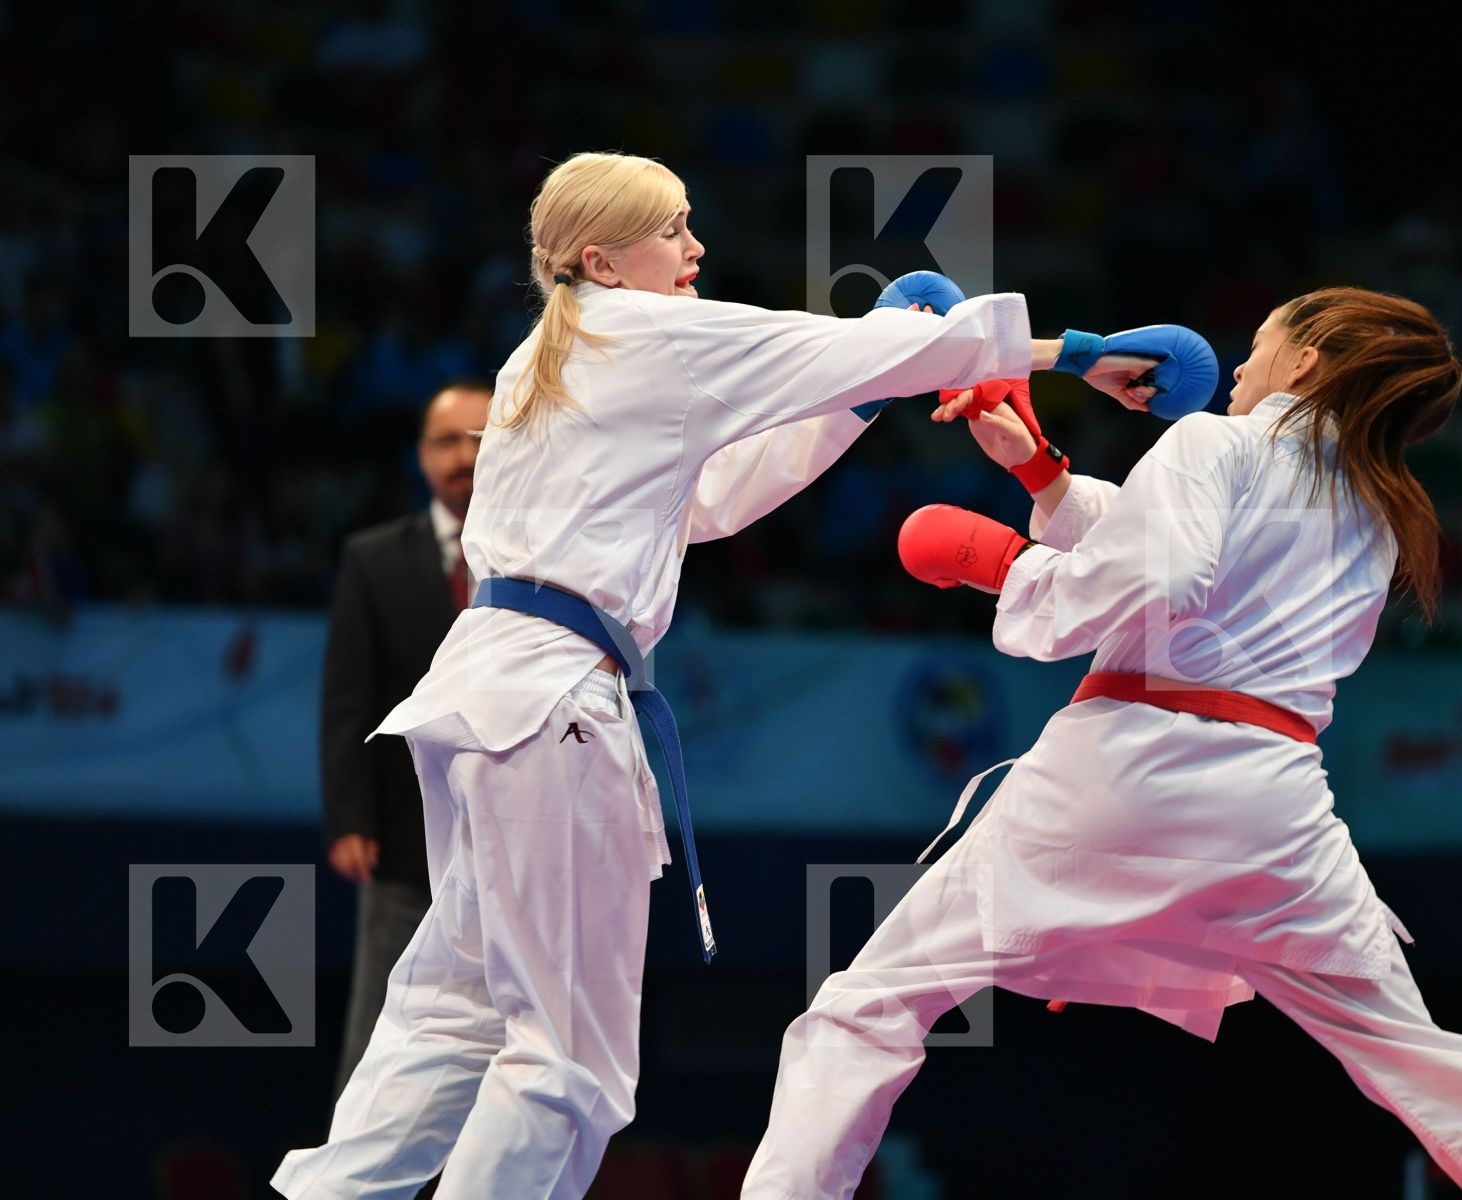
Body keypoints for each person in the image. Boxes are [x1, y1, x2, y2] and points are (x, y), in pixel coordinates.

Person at [271, 150, 1174, 1200]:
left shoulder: (544, 362)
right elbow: (819, 348)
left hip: (482, 702)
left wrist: (864, 395)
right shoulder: (648, 332)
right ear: (604, 260)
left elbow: (708, 504)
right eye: (674, 229)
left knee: (450, 1008)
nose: (696, 247)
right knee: (566, 1063)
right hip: (553, 706)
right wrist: (1086, 352)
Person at [741, 288, 1462, 1199]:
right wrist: (1044, 476)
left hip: (1124, 774)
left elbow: (1167, 571)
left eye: (1260, 344)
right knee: (1419, 1058)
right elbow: (1194, 560)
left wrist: (1015, 571)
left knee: (868, 1009)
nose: (1235, 370)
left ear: (1305, 361)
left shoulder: (1214, 443)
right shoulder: (1381, 505)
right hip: (1272, 808)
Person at [320, 379, 492, 1101]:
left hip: (512, 839)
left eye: (480, 440)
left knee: (512, 1048)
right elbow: (348, 695)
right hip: (403, 838)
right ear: (421, 457)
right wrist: (349, 820)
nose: (463, 457)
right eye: (446, 441)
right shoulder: (374, 558)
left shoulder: (540, 553)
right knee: (377, 1040)